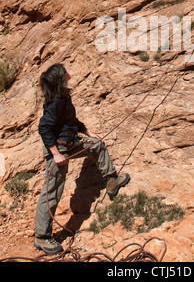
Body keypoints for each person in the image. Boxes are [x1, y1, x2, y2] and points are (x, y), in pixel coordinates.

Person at [34, 63, 130, 255]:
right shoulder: (55, 102)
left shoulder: (64, 97)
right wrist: (55, 153)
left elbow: (72, 122)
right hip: (58, 148)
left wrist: (88, 132)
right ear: (62, 75)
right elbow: (44, 128)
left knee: (97, 145)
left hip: (69, 142)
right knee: (51, 192)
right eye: (65, 68)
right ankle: (42, 237)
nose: (69, 68)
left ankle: (111, 182)